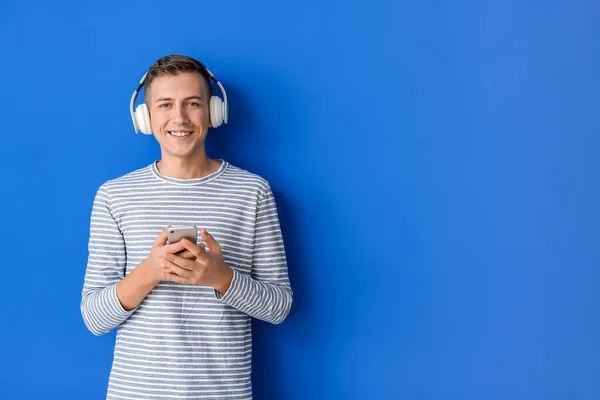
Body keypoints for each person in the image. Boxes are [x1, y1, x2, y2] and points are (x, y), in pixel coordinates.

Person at [80, 54, 293, 400]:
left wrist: (221, 278)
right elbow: (94, 318)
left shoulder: (252, 192)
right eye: (165, 104)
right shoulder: (114, 196)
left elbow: (279, 307)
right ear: (146, 117)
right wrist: (150, 271)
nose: (178, 117)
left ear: (213, 111)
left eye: (192, 103)